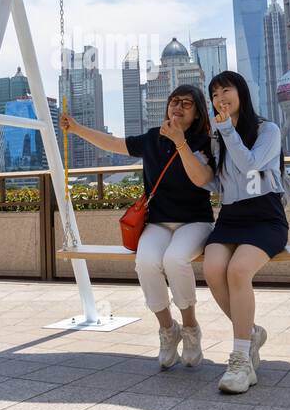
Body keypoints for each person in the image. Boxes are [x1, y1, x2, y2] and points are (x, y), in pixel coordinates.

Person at [61, 85, 215, 368]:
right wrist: (77, 128)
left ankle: (191, 328)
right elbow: (114, 143)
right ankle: (169, 330)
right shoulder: (153, 139)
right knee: (145, 261)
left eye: (187, 104)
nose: (178, 107)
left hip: (195, 221)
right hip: (158, 221)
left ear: (197, 114)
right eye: (173, 102)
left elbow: (201, 179)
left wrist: (181, 143)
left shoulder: (205, 142)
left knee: (175, 259)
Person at [202, 70, 290, 394]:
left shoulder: (268, 130)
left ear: (241, 93)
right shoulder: (217, 137)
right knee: (213, 270)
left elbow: (250, 164)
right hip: (231, 217)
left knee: (238, 271)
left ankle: (240, 361)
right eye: (214, 95)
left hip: (266, 217)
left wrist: (225, 130)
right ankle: (250, 332)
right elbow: (216, 181)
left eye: (226, 91)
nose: (220, 99)